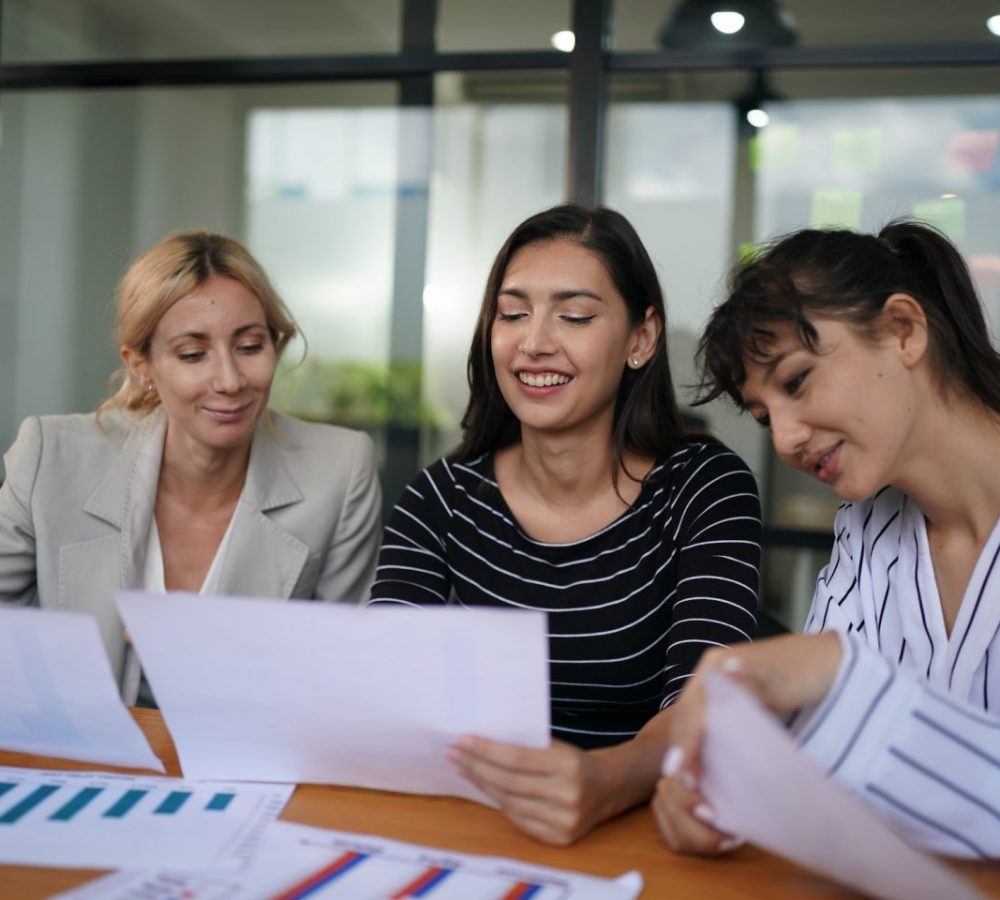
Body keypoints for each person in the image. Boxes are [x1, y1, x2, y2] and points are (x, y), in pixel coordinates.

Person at [370, 204, 762, 844]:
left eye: (574, 316)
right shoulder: (440, 498)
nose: (534, 342)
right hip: (469, 824)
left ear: (642, 338)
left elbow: (705, 700)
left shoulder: (703, 487)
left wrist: (607, 781)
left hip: (644, 832)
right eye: (513, 312)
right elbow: (387, 691)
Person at [653, 220, 1000, 859]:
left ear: (904, 330)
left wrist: (839, 674)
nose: (785, 440)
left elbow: (841, 697)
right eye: (763, 417)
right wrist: (729, 785)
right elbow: (819, 749)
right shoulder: (867, 533)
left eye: (797, 381)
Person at [0, 231, 382, 705]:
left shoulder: (340, 470)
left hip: (254, 761)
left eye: (249, 345)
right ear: (141, 364)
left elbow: (347, 673)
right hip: (82, 757)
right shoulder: (49, 456)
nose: (229, 380)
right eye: (192, 354)